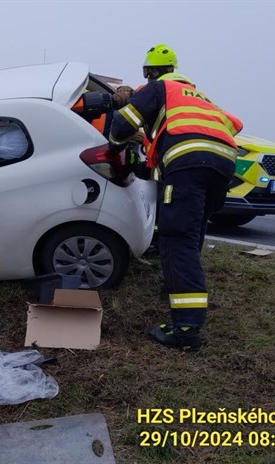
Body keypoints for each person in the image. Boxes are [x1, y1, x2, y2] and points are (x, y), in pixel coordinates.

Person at [109, 44, 243, 351]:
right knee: (192, 232)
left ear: (151, 72)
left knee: (177, 238)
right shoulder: (198, 96)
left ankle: (185, 329)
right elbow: (235, 123)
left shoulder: (158, 89)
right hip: (223, 163)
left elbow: (122, 124)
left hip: (189, 161)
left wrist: (114, 145)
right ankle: (177, 287)